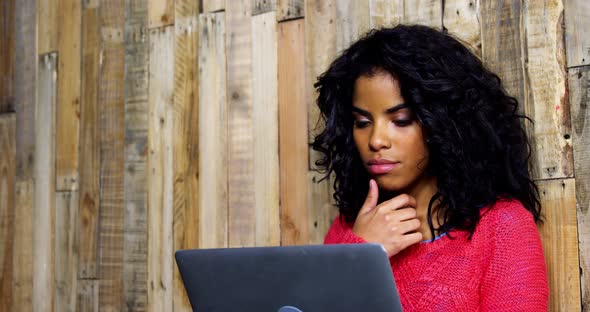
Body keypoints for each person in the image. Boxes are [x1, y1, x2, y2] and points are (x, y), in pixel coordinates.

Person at [312, 24, 549, 311]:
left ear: (442, 124)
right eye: (362, 123)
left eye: (400, 120)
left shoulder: (501, 228)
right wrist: (359, 256)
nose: (375, 140)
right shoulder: (348, 229)